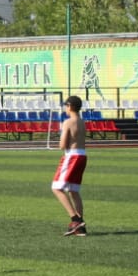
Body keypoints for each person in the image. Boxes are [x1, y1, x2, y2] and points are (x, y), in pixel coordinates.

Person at [53, 95, 88, 236]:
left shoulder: (68, 122)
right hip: (82, 155)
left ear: (70, 106)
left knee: (56, 188)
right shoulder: (82, 122)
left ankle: (75, 220)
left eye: (66, 106)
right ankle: (80, 227)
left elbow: (62, 144)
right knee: (73, 190)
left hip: (71, 156)